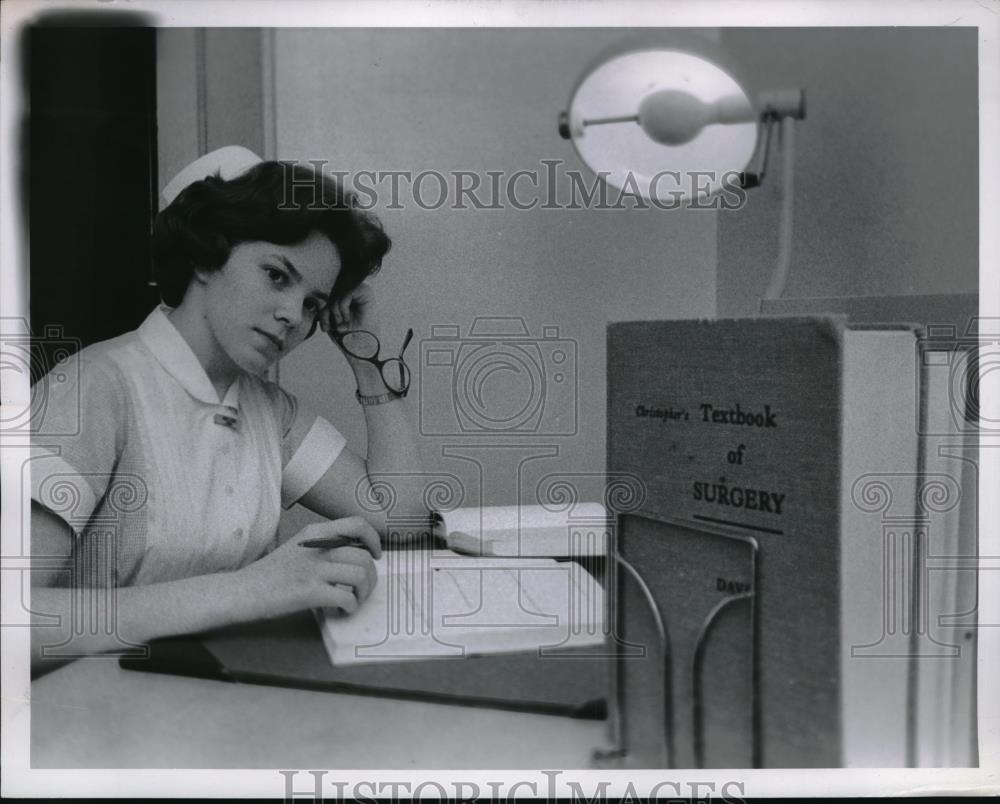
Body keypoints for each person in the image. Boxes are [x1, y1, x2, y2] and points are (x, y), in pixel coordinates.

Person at [29, 147, 429, 674]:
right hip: (83, 715)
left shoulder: (269, 411)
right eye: (277, 276)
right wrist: (249, 590)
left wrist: (365, 355)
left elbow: (400, 519)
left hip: (211, 695)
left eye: (313, 303)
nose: (293, 315)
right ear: (205, 255)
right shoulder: (92, 390)